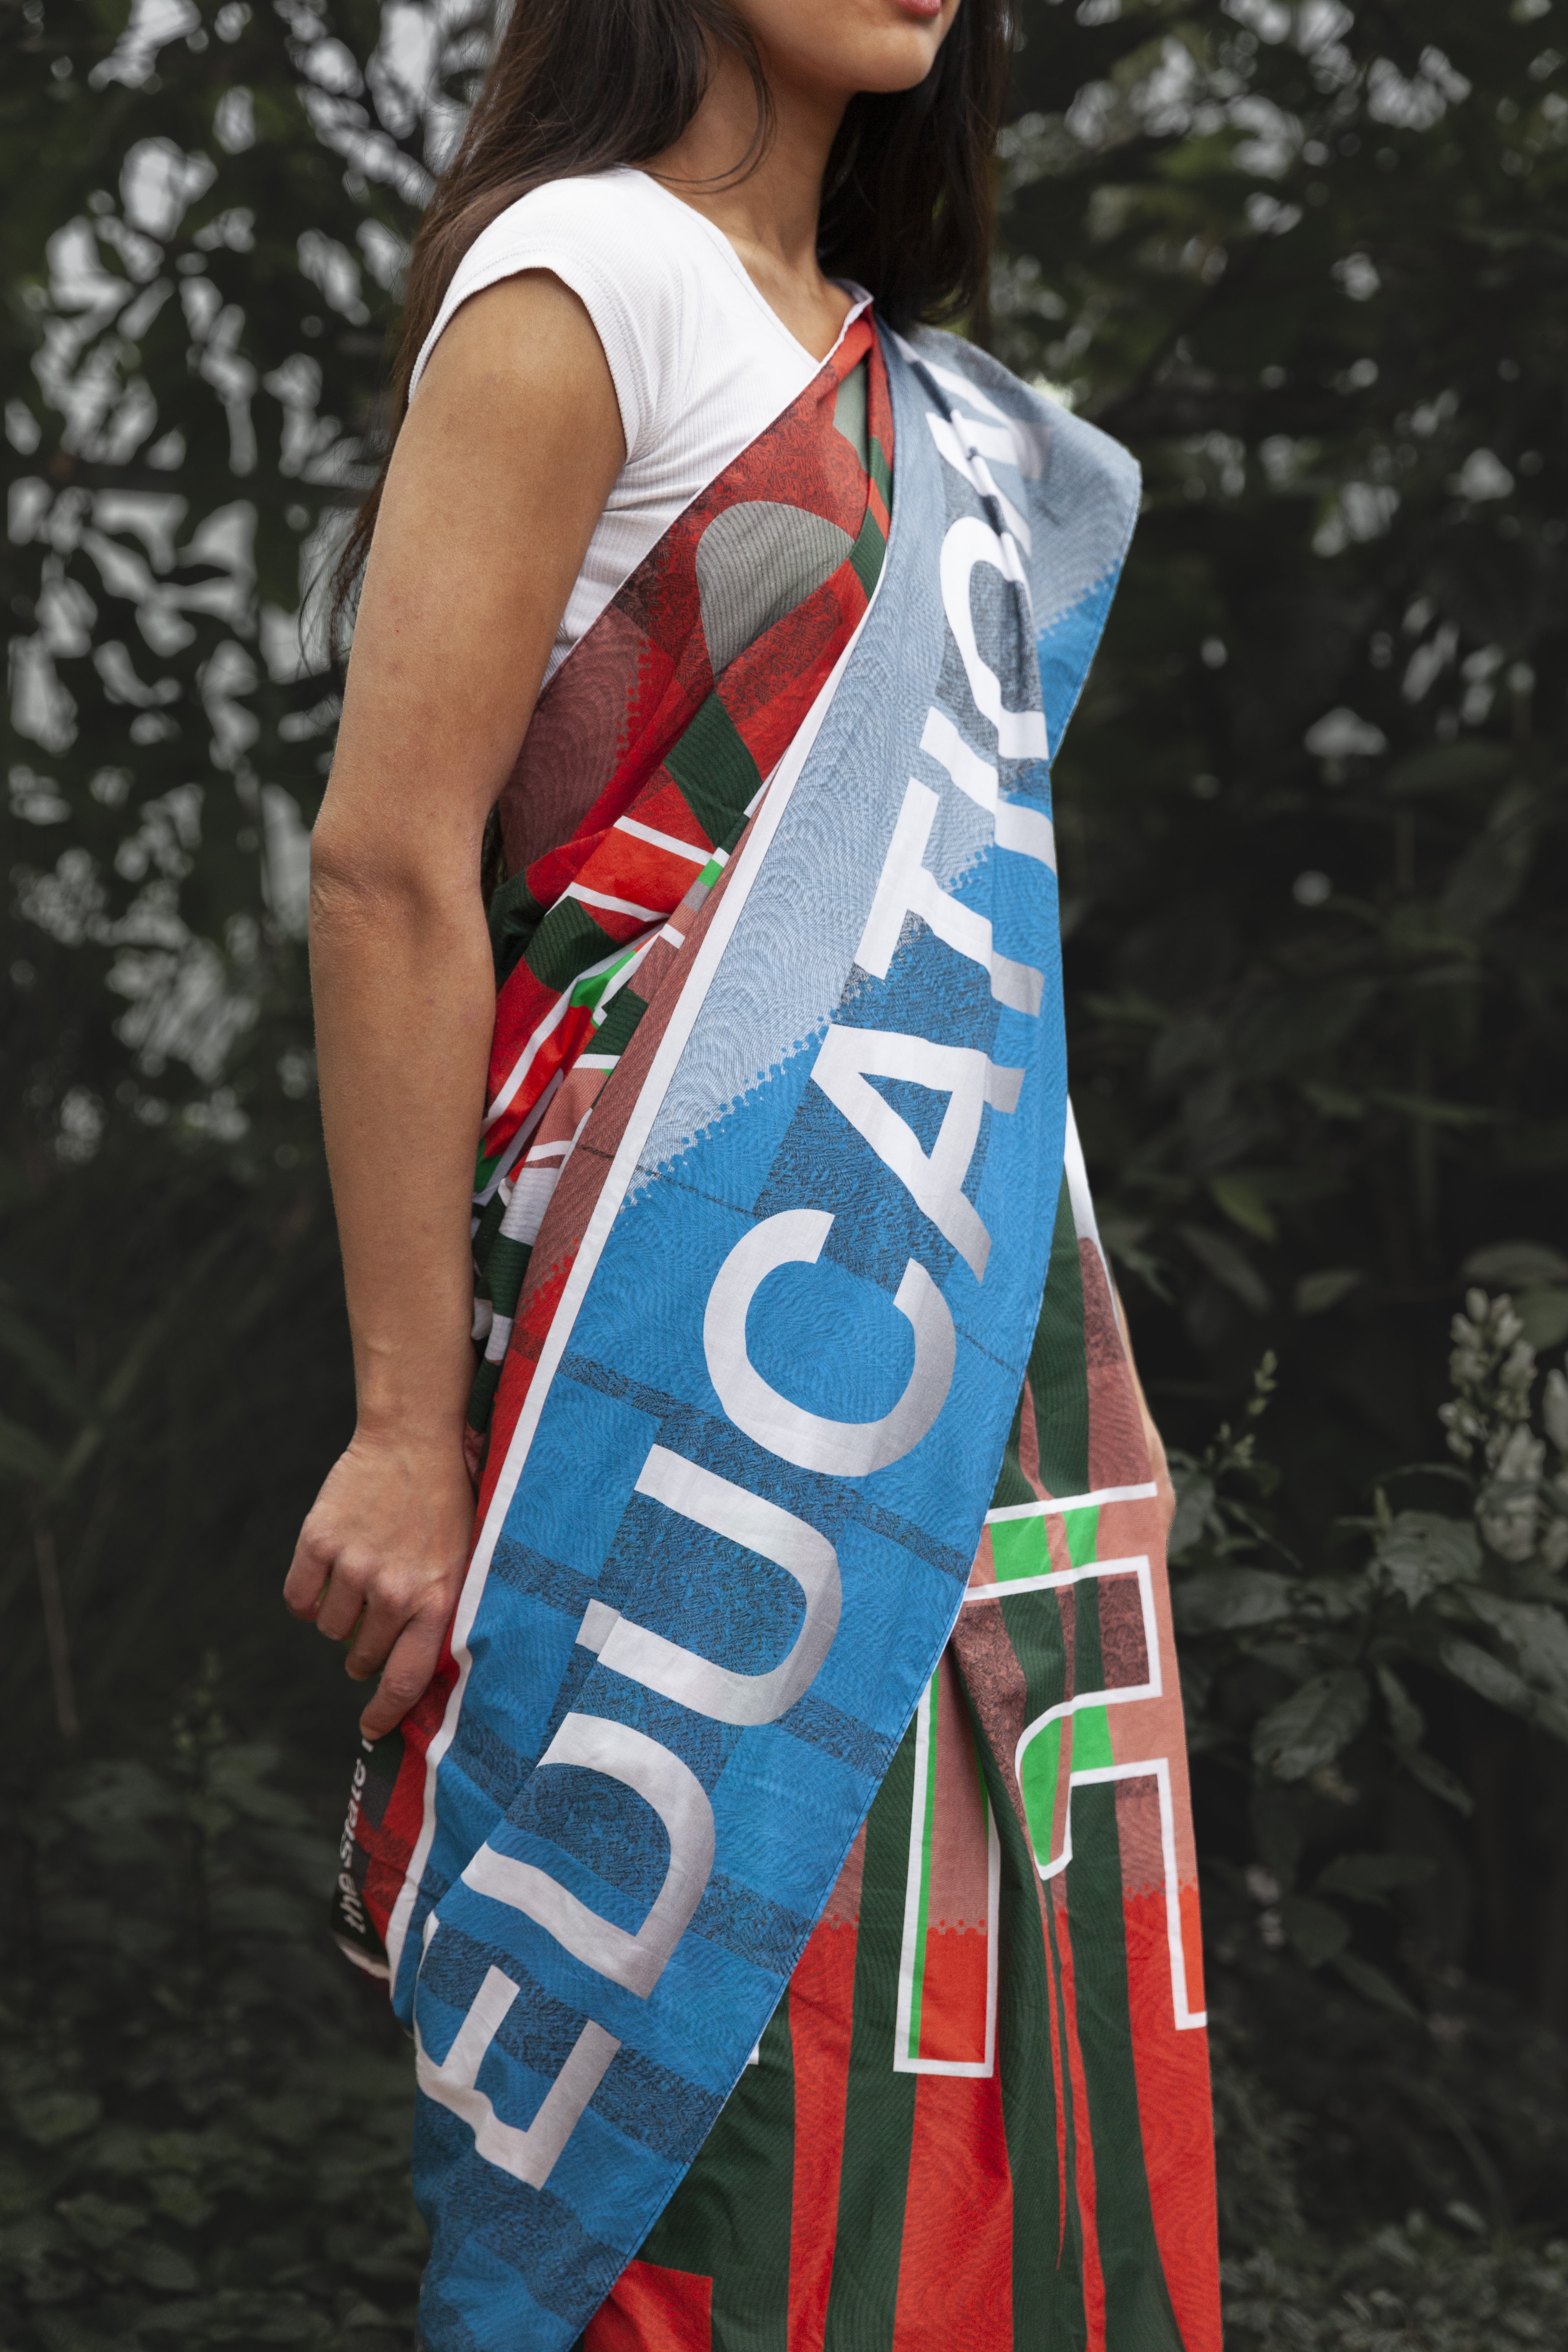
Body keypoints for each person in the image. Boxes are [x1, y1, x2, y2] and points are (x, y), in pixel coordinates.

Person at [283, 0, 1221, 2344]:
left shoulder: (939, 420)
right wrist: (402, 1431)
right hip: (647, 1402)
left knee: (937, 2077)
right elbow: (390, 869)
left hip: (929, 1399)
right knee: (684, 2139)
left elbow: (959, 964)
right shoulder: (588, 276)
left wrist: (1077, 1419)